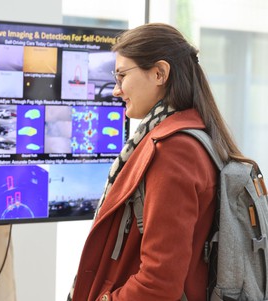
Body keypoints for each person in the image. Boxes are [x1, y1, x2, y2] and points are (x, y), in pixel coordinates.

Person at [69, 23, 250, 301]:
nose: (116, 90)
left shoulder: (174, 150)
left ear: (159, 73)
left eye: (121, 76)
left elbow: (158, 283)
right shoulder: (193, 134)